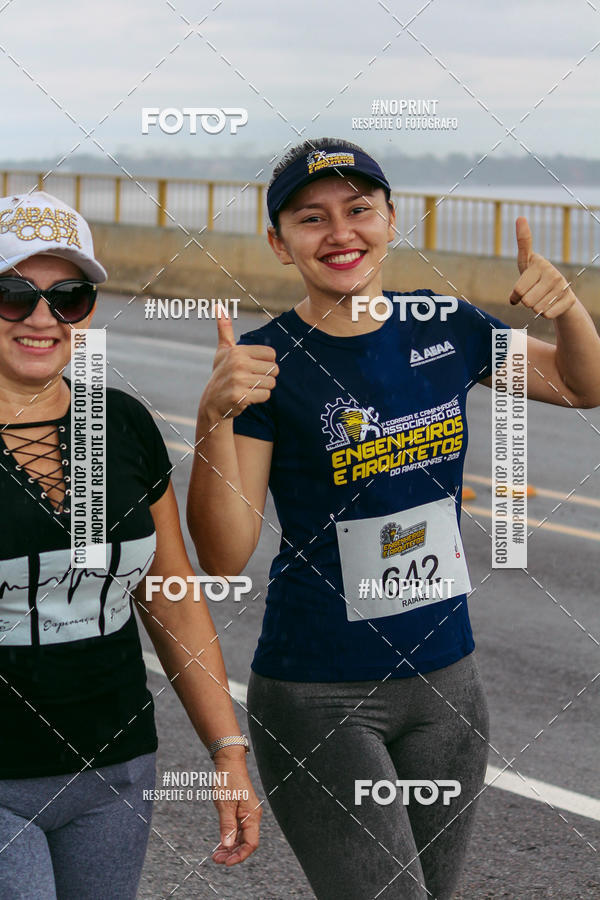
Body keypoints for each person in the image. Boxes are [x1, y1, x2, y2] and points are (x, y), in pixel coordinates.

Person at [186, 139, 600, 899]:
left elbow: (583, 386)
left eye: (358, 210)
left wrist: (569, 308)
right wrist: (215, 417)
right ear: (280, 243)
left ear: (391, 220)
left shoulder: (446, 325)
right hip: (320, 692)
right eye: (311, 218)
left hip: (447, 685)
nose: (340, 232)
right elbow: (223, 555)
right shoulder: (263, 361)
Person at [0, 191, 261, 900]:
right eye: (13, 294)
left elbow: (172, 596)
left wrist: (228, 752)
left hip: (114, 770)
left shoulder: (120, 423)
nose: (41, 318)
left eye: (69, 297)